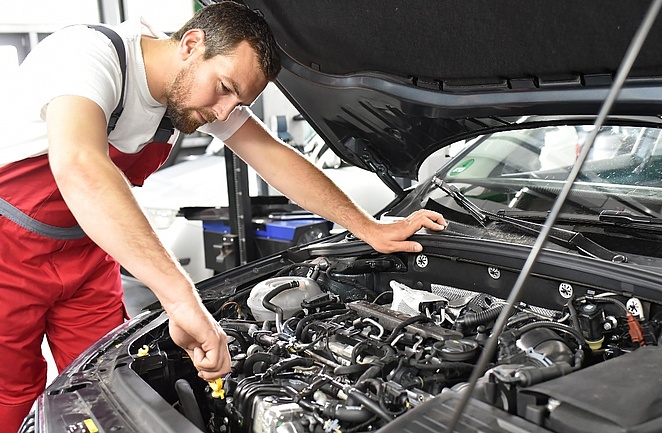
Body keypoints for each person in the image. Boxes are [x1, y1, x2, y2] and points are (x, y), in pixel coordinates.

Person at [0, 2, 446, 431]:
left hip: (91, 255)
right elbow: (80, 164)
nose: (222, 113)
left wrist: (368, 227)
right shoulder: (88, 54)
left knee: (105, 393)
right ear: (191, 44)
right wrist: (179, 298)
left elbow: (273, 155)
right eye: (226, 89)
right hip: (9, 253)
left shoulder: (192, 92)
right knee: (12, 397)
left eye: (236, 104)